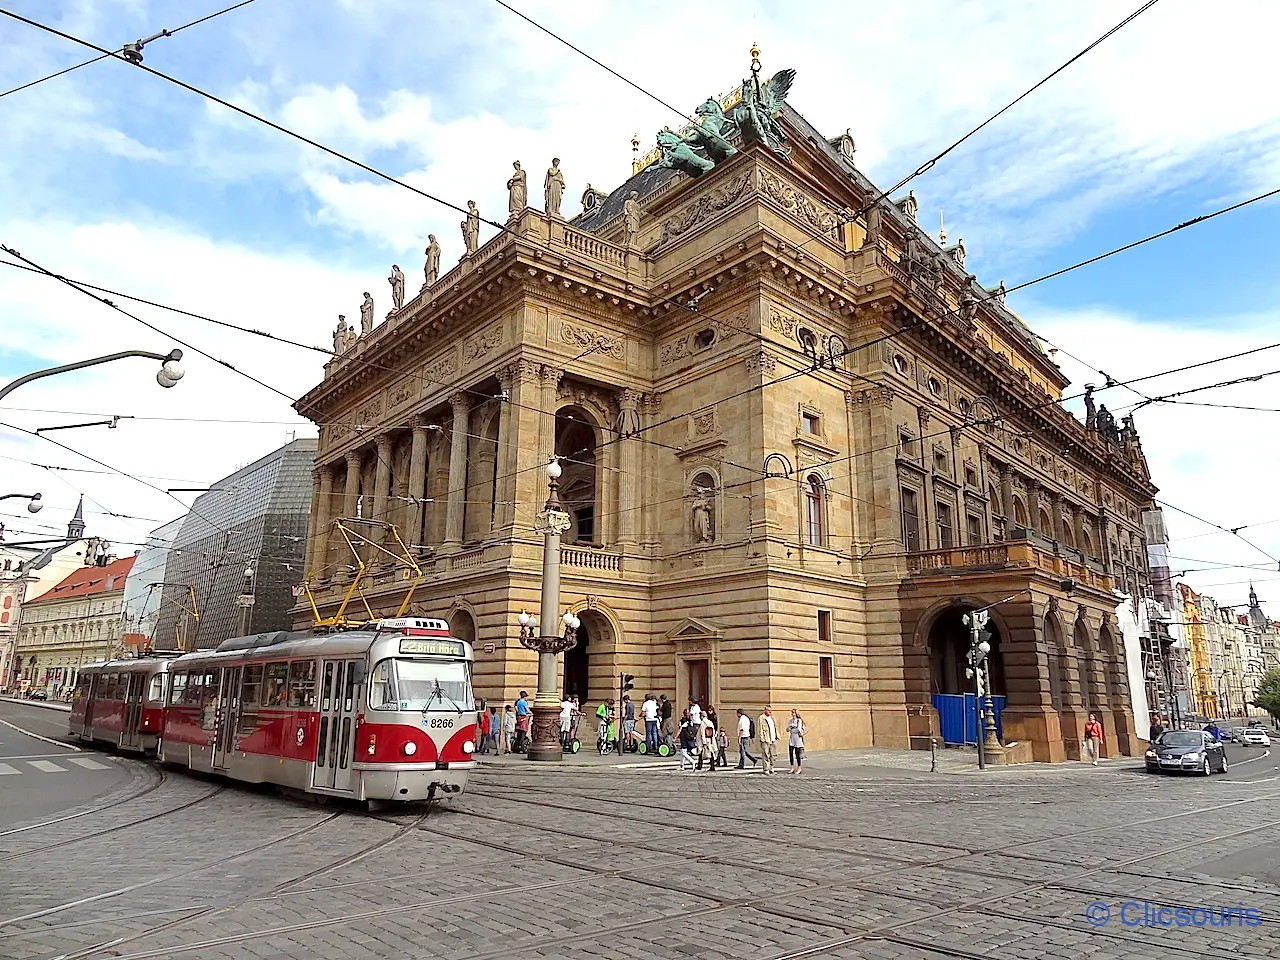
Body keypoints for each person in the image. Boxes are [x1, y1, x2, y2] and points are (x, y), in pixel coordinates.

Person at [757, 705, 779, 775]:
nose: (770, 712)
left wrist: (777, 735)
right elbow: (759, 729)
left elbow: (775, 727)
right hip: (766, 738)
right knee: (766, 754)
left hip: (773, 738)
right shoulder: (761, 718)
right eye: (768, 710)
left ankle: (772, 768)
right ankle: (766, 769)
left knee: (773, 754)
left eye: (771, 710)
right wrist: (762, 738)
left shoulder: (772, 718)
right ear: (765, 710)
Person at [787, 709, 806, 774]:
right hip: (792, 738)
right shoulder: (790, 721)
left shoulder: (799, 721)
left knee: (797, 754)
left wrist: (792, 727)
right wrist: (790, 727)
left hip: (797, 738)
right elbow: (788, 729)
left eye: (793, 713)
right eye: (792, 713)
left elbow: (798, 729)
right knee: (791, 753)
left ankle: (799, 767)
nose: (792, 714)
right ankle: (792, 767)